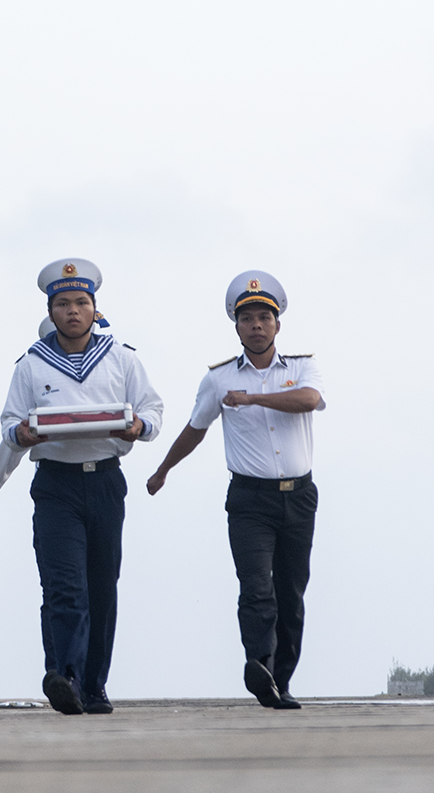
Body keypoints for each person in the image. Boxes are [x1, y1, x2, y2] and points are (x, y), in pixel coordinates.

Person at [0, 260, 163, 716]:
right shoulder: (32, 365)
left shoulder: (122, 358)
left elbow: (152, 410)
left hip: (107, 480)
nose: (73, 311)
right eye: (62, 304)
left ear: (95, 309)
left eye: (81, 303)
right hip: (56, 484)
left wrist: (140, 426)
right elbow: (10, 424)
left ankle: (94, 686)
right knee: (64, 585)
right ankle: (65, 677)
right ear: (49, 311)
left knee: (101, 587)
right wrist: (22, 435)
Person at [146, 270, 324, 710]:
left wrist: (254, 399)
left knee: (291, 591)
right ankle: (258, 664)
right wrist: (163, 469)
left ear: (278, 325)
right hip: (250, 500)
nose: (257, 325)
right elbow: (196, 428)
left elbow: (308, 400)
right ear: (237, 327)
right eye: (248, 319)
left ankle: (281, 681)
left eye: (265, 317)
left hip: (298, 496)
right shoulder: (219, 379)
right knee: (255, 587)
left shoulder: (302, 368)